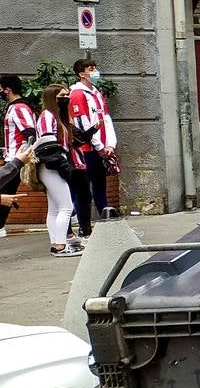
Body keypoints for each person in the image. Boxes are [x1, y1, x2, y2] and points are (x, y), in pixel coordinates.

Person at [68, 58, 118, 227]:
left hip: (100, 148)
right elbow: (83, 124)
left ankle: (107, 218)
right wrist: (99, 146)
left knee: (99, 184)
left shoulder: (96, 93)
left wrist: (110, 144)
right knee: (82, 189)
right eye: (91, 69)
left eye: (95, 67)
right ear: (82, 74)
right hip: (86, 149)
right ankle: (77, 220)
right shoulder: (77, 94)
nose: (95, 71)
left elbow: (106, 119)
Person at [34, 85, 83, 257]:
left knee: (55, 208)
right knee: (66, 207)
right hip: (52, 165)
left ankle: (57, 244)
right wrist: (64, 166)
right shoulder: (48, 116)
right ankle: (60, 245)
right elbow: (48, 146)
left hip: (50, 165)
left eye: (67, 94)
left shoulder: (52, 116)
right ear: (52, 97)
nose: (66, 98)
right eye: (62, 95)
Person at [1, 75, 35, 239]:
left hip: (17, 158)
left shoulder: (18, 108)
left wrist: (25, 155)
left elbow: (30, 133)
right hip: (14, 157)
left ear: (8, 89)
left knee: (5, 191)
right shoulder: (15, 107)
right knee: (5, 192)